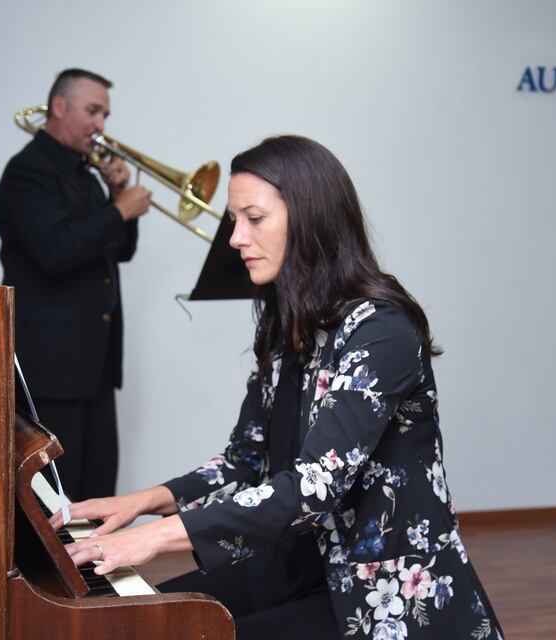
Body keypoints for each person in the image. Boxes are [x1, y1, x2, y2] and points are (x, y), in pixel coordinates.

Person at [52, 136, 504, 639]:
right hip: (296, 560)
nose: (234, 239)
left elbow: (314, 487)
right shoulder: (288, 326)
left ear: (311, 220)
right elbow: (243, 462)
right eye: (234, 220)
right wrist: (138, 503)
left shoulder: (380, 330)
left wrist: (155, 538)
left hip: (377, 591)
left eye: (255, 218)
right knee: (148, 617)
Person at [0, 69, 151, 502]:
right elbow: (55, 251)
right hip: (51, 369)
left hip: (94, 364)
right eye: (93, 111)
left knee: (95, 488)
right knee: (53, 498)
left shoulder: (84, 175)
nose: (101, 124)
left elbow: (118, 250)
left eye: (105, 114)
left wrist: (116, 194)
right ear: (59, 107)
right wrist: (118, 210)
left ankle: (93, 571)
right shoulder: (28, 172)